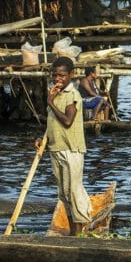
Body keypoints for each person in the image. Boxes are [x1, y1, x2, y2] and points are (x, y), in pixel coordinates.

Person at [41, 56, 92, 236]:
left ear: (71, 75)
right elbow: (52, 122)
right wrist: (43, 139)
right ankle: (72, 232)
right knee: (63, 194)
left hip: (71, 150)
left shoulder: (72, 94)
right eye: (54, 75)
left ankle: (78, 235)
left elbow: (68, 121)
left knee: (73, 191)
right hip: (56, 148)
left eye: (62, 76)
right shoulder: (55, 93)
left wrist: (50, 102)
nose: (57, 79)